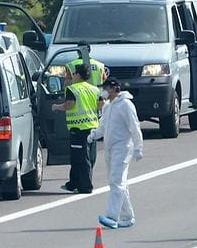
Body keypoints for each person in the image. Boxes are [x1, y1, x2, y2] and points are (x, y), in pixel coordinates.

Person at [87, 77, 143, 229]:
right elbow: (103, 126)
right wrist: (93, 135)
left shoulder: (126, 105)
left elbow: (134, 127)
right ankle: (128, 217)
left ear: (113, 89)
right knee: (118, 182)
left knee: (116, 181)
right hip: (110, 148)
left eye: (105, 88)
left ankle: (112, 216)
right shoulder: (108, 106)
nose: (103, 92)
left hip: (123, 147)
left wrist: (138, 147)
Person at [52, 63, 100, 194]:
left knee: (81, 158)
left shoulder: (73, 89)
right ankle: (73, 183)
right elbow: (101, 104)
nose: (72, 76)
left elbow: (69, 105)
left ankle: (85, 186)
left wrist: (56, 107)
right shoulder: (94, 89)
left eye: (74, 73)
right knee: (82, 157)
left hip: (79, 129)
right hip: (92, 127)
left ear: (78, 75)